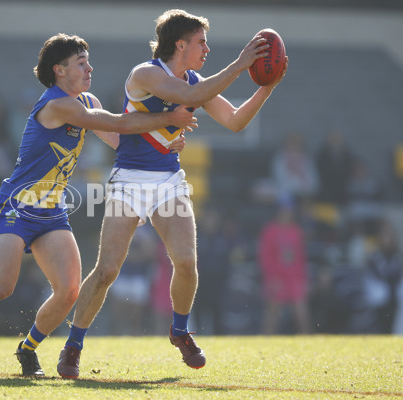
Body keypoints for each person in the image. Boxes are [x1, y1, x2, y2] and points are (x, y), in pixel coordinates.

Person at [0, 33, 196, 377]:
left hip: (51, 210)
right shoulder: (59, 104)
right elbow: (119, 123)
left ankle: (27, 349)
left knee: (69, 290)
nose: (90, 68)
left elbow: (122, 142)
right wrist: (167, 120)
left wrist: (164, 145)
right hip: (16, 206)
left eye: (88, 61)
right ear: (59, 70)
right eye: (81, 63)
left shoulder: (86, 99)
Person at [57, 9, 288, 378]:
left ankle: (180, 331)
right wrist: (242, 64)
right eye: (201, 42)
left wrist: (267, 85)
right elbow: (193, 94)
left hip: (168, 181)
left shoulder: (197, 80)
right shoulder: (146, 74)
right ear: (179, 44)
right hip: (129, 180)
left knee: (186, 262)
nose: (206, 49)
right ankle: (73, 344)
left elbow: (235, 121)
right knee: (107, 271)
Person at [258, 196, 312, 334]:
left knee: (301, 314)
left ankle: (309, 345)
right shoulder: (270, 231)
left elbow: (300, 258)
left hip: (294, 278)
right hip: (277, 278)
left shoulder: (296, 231)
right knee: (272, 316)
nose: (286, 213)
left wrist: (303, 279)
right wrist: (271, 278)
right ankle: (264, 347)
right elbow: (265, 257)